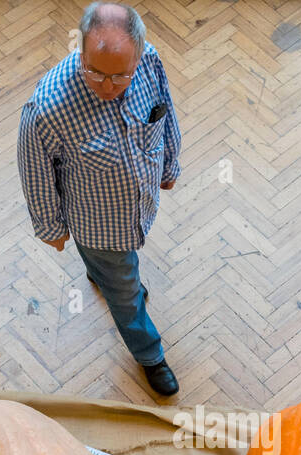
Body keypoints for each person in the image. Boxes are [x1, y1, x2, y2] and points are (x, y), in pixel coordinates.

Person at [17, 2, 182, 396]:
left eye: (119, 75)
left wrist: (170, 165)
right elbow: (35, 172)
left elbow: (167, 113)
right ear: (81, 51)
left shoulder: (150, 63)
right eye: (95, 72)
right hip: (98, 224)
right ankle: (149, 354)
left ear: (138, 57)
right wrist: (52, 228)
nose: (107, 86)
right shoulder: (48, 108)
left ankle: (100, 275)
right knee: (126, 295)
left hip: (139, 207)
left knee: (113, 274)